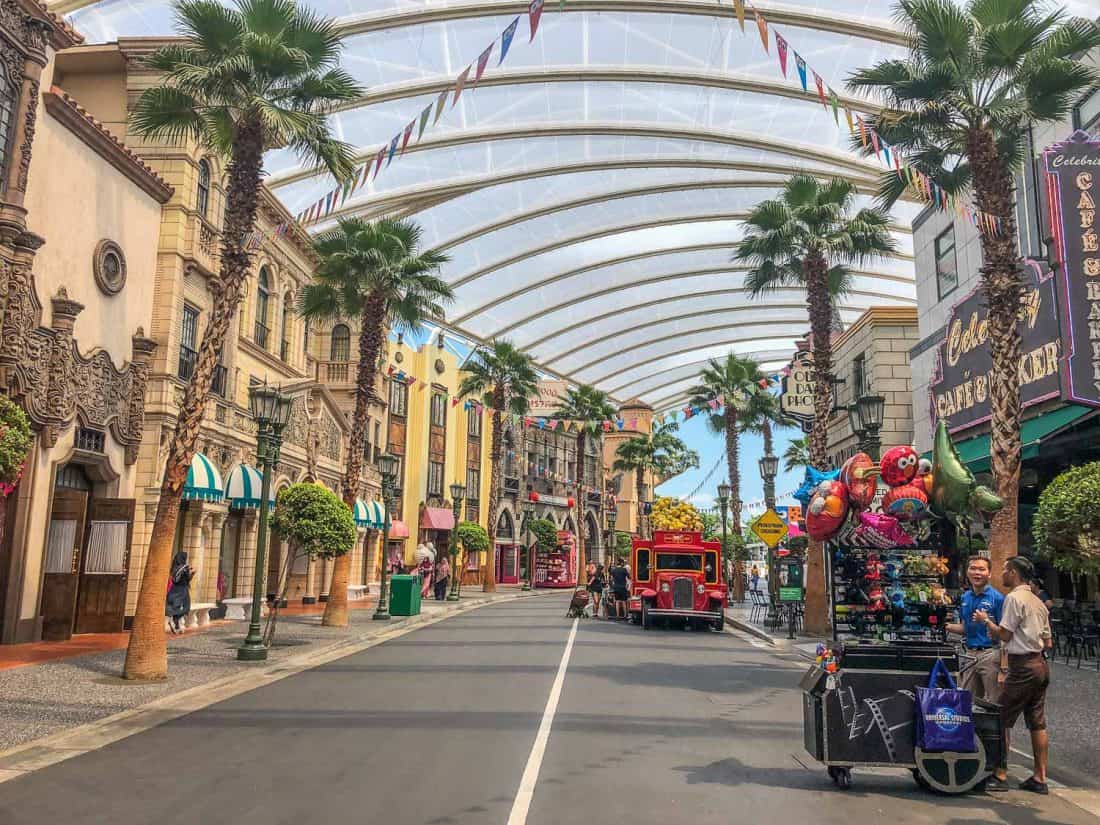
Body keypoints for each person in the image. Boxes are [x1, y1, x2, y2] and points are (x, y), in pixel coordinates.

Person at [973, 556, 1053, 795]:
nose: (1003, 575)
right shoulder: (1037, 601)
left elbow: (1005, 635)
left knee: (999, 718)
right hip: (1039, 664)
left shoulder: (1014, 598)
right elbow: (1047, 641)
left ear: (1015, 573)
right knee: (1037, 721)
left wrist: (987, 621)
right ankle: (1040, 776)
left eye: (1005, 570)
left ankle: (999, 773)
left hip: (1022, 666)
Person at [946, 556, 1005, 704]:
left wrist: (1004, 668)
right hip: (969, 654)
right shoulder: (965, 597)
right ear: (967, 572)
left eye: (981, 569)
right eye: (973, 568)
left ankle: (1000, 728)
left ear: (989, 574)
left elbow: (1005, 634)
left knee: (995, 704)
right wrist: (945, 625)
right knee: (966, 703)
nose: (977, 573)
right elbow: (965, 628)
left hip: (991, 654)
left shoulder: (997, 598)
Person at [165, 551, 193, 634]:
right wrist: (192, 573)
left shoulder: (173, 567)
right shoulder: (184, 567)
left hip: (174, 589)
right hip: (182, 589)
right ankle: (172, 618)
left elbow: (175, 579)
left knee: (176, 606)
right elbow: (187, 579)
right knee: (186, 608)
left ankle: (175, 624)